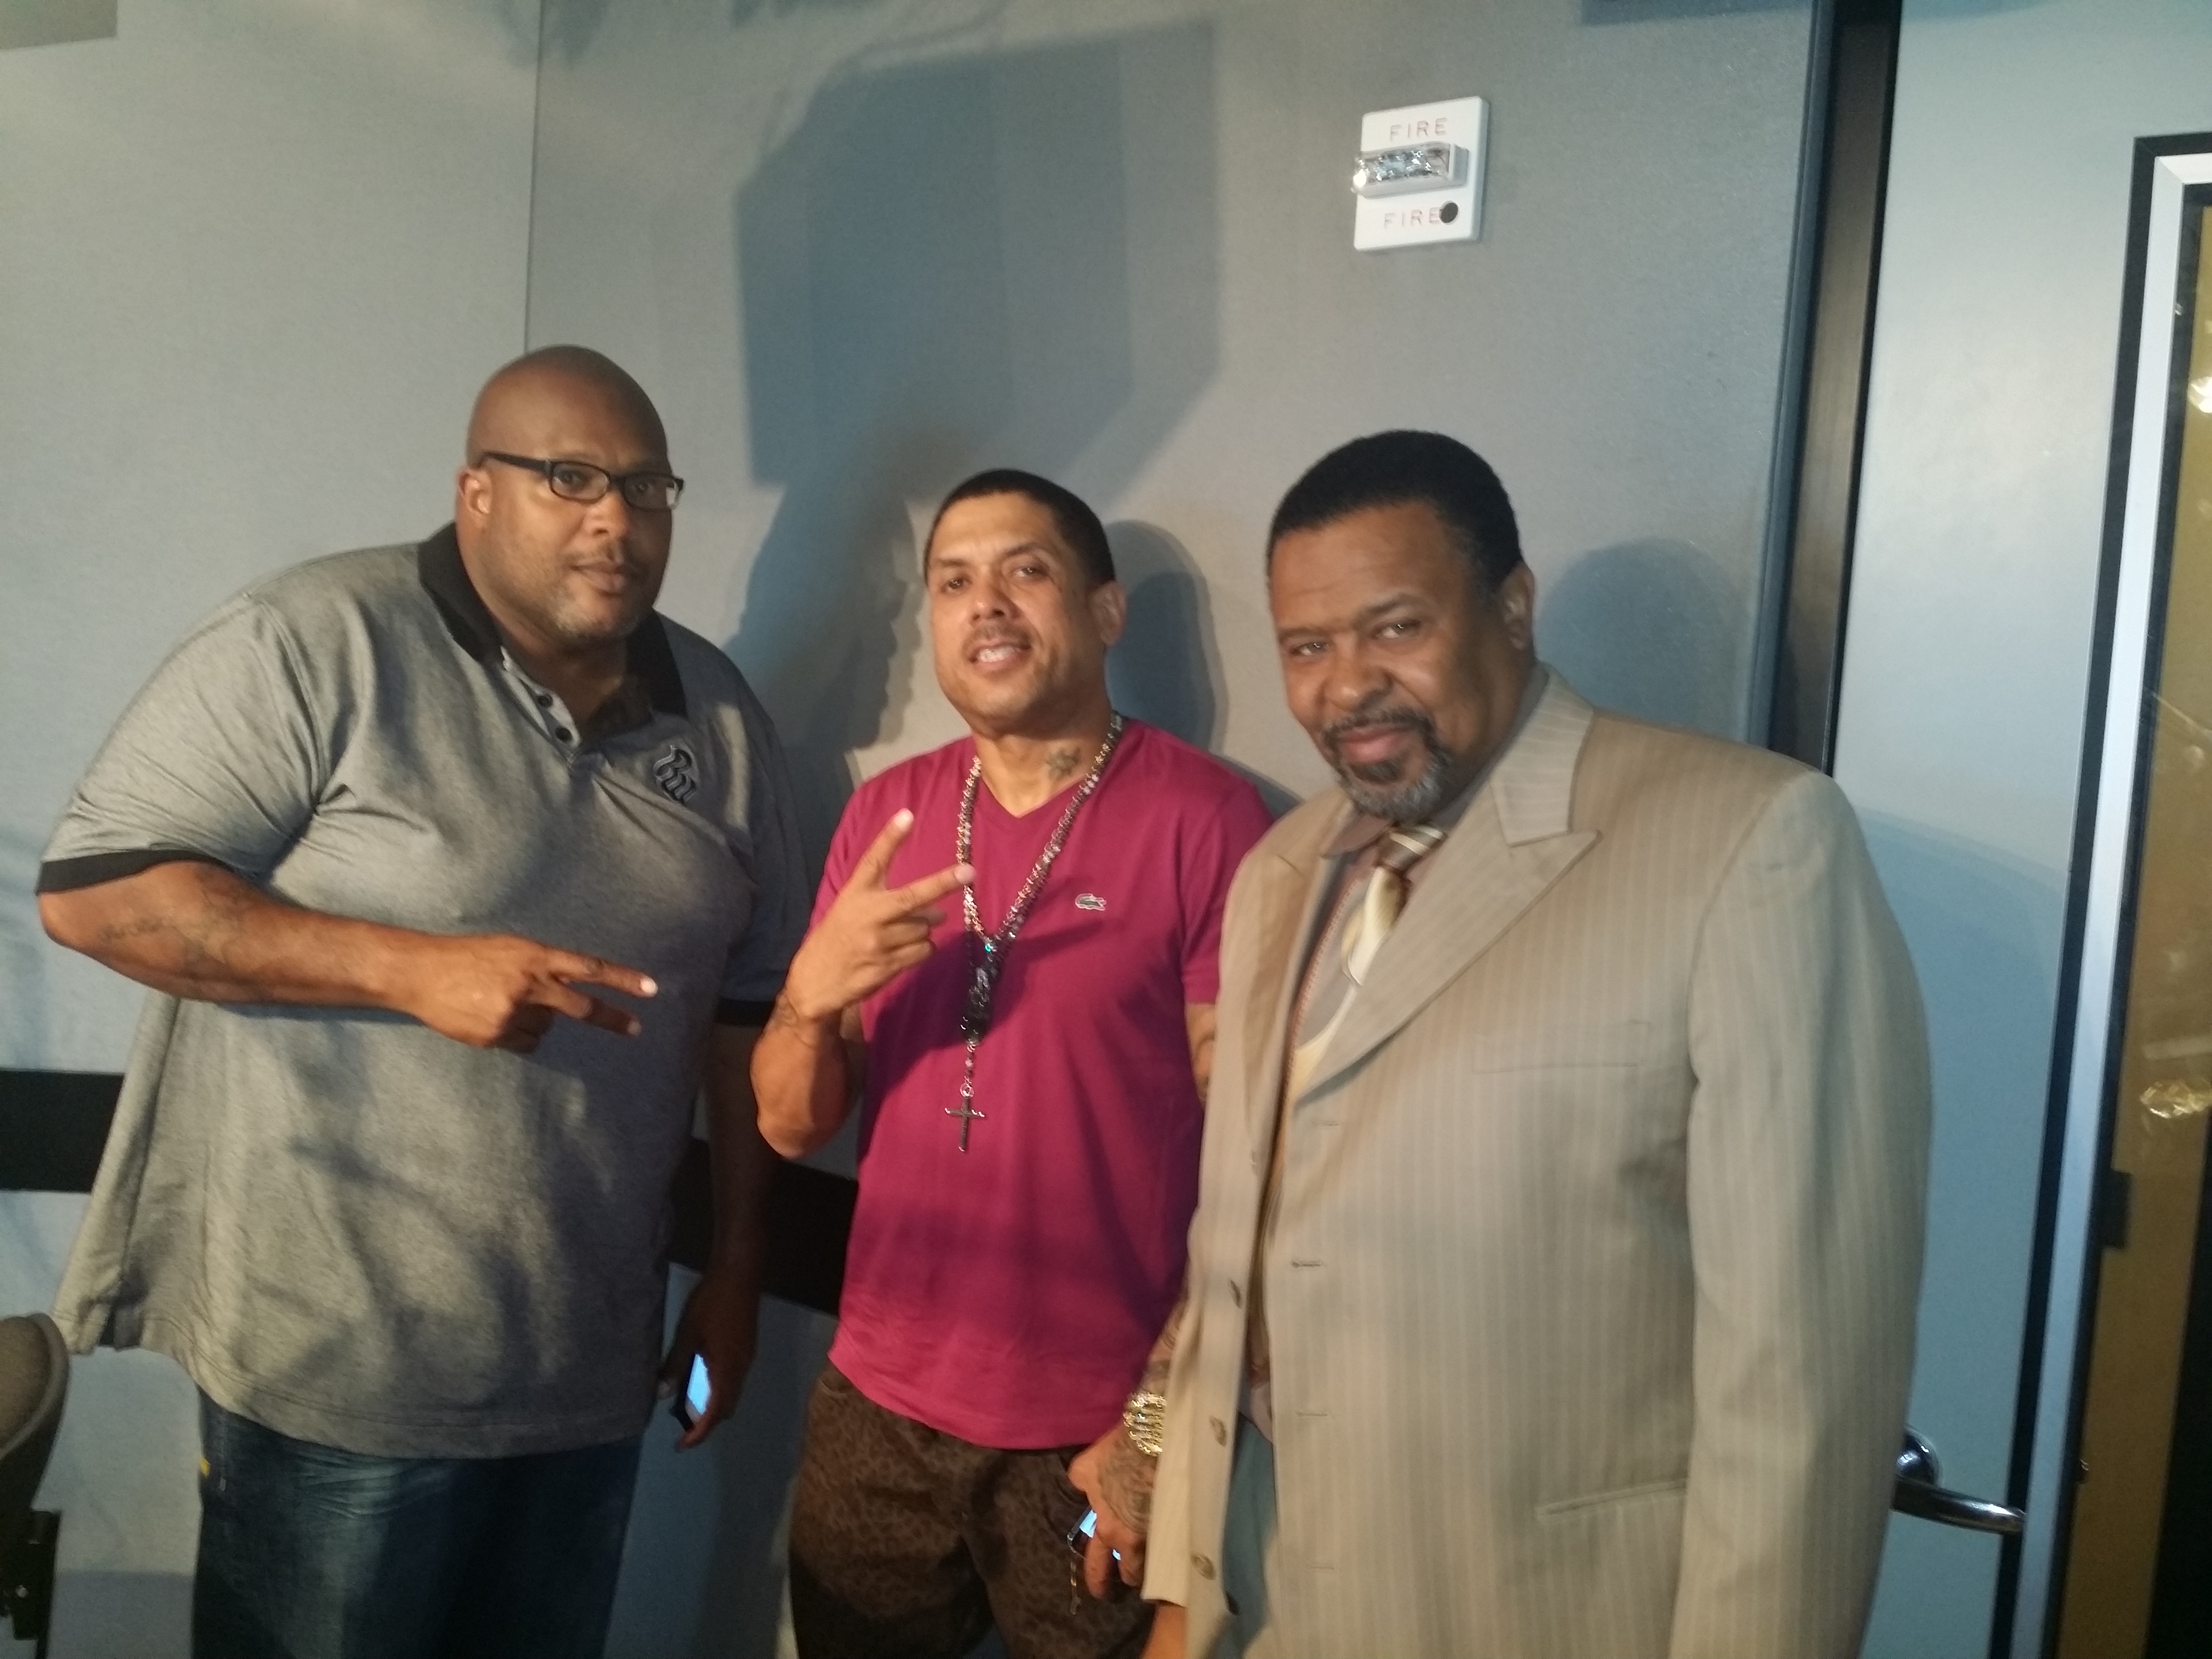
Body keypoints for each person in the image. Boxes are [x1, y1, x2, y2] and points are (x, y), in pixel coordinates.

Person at [35, 346, 808, 1659]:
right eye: (570, 478)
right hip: (336, 1372)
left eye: (646, 487)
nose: (617, 520)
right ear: (476, 492)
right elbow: (96, 897)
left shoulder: (719, 714)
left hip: (586, 1367)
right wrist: (409, 966)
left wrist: (735, 1272)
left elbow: (751, 1013)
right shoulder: (317, 639)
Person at [1121, 431, 1931, 1658]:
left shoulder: (1747, 843)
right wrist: (1186, 1588)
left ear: (1511, 607)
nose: (1346, 686)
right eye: (1307, 647)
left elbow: (1803, 1394)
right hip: (1274, 1600)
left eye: (1395, 627)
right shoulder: (1282, 872)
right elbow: (1233, 1249)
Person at [751, 469, 1274, 1659]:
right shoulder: (885, 819)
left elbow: (1264, 1164)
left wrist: (1155, 1433)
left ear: (1105, 611)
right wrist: (808, 997)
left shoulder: (1207, 823)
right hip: (876, 1406)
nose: (984, 603)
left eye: (1024, 571)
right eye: (953, 582)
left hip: (1095, 1434)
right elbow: (788, 1125)